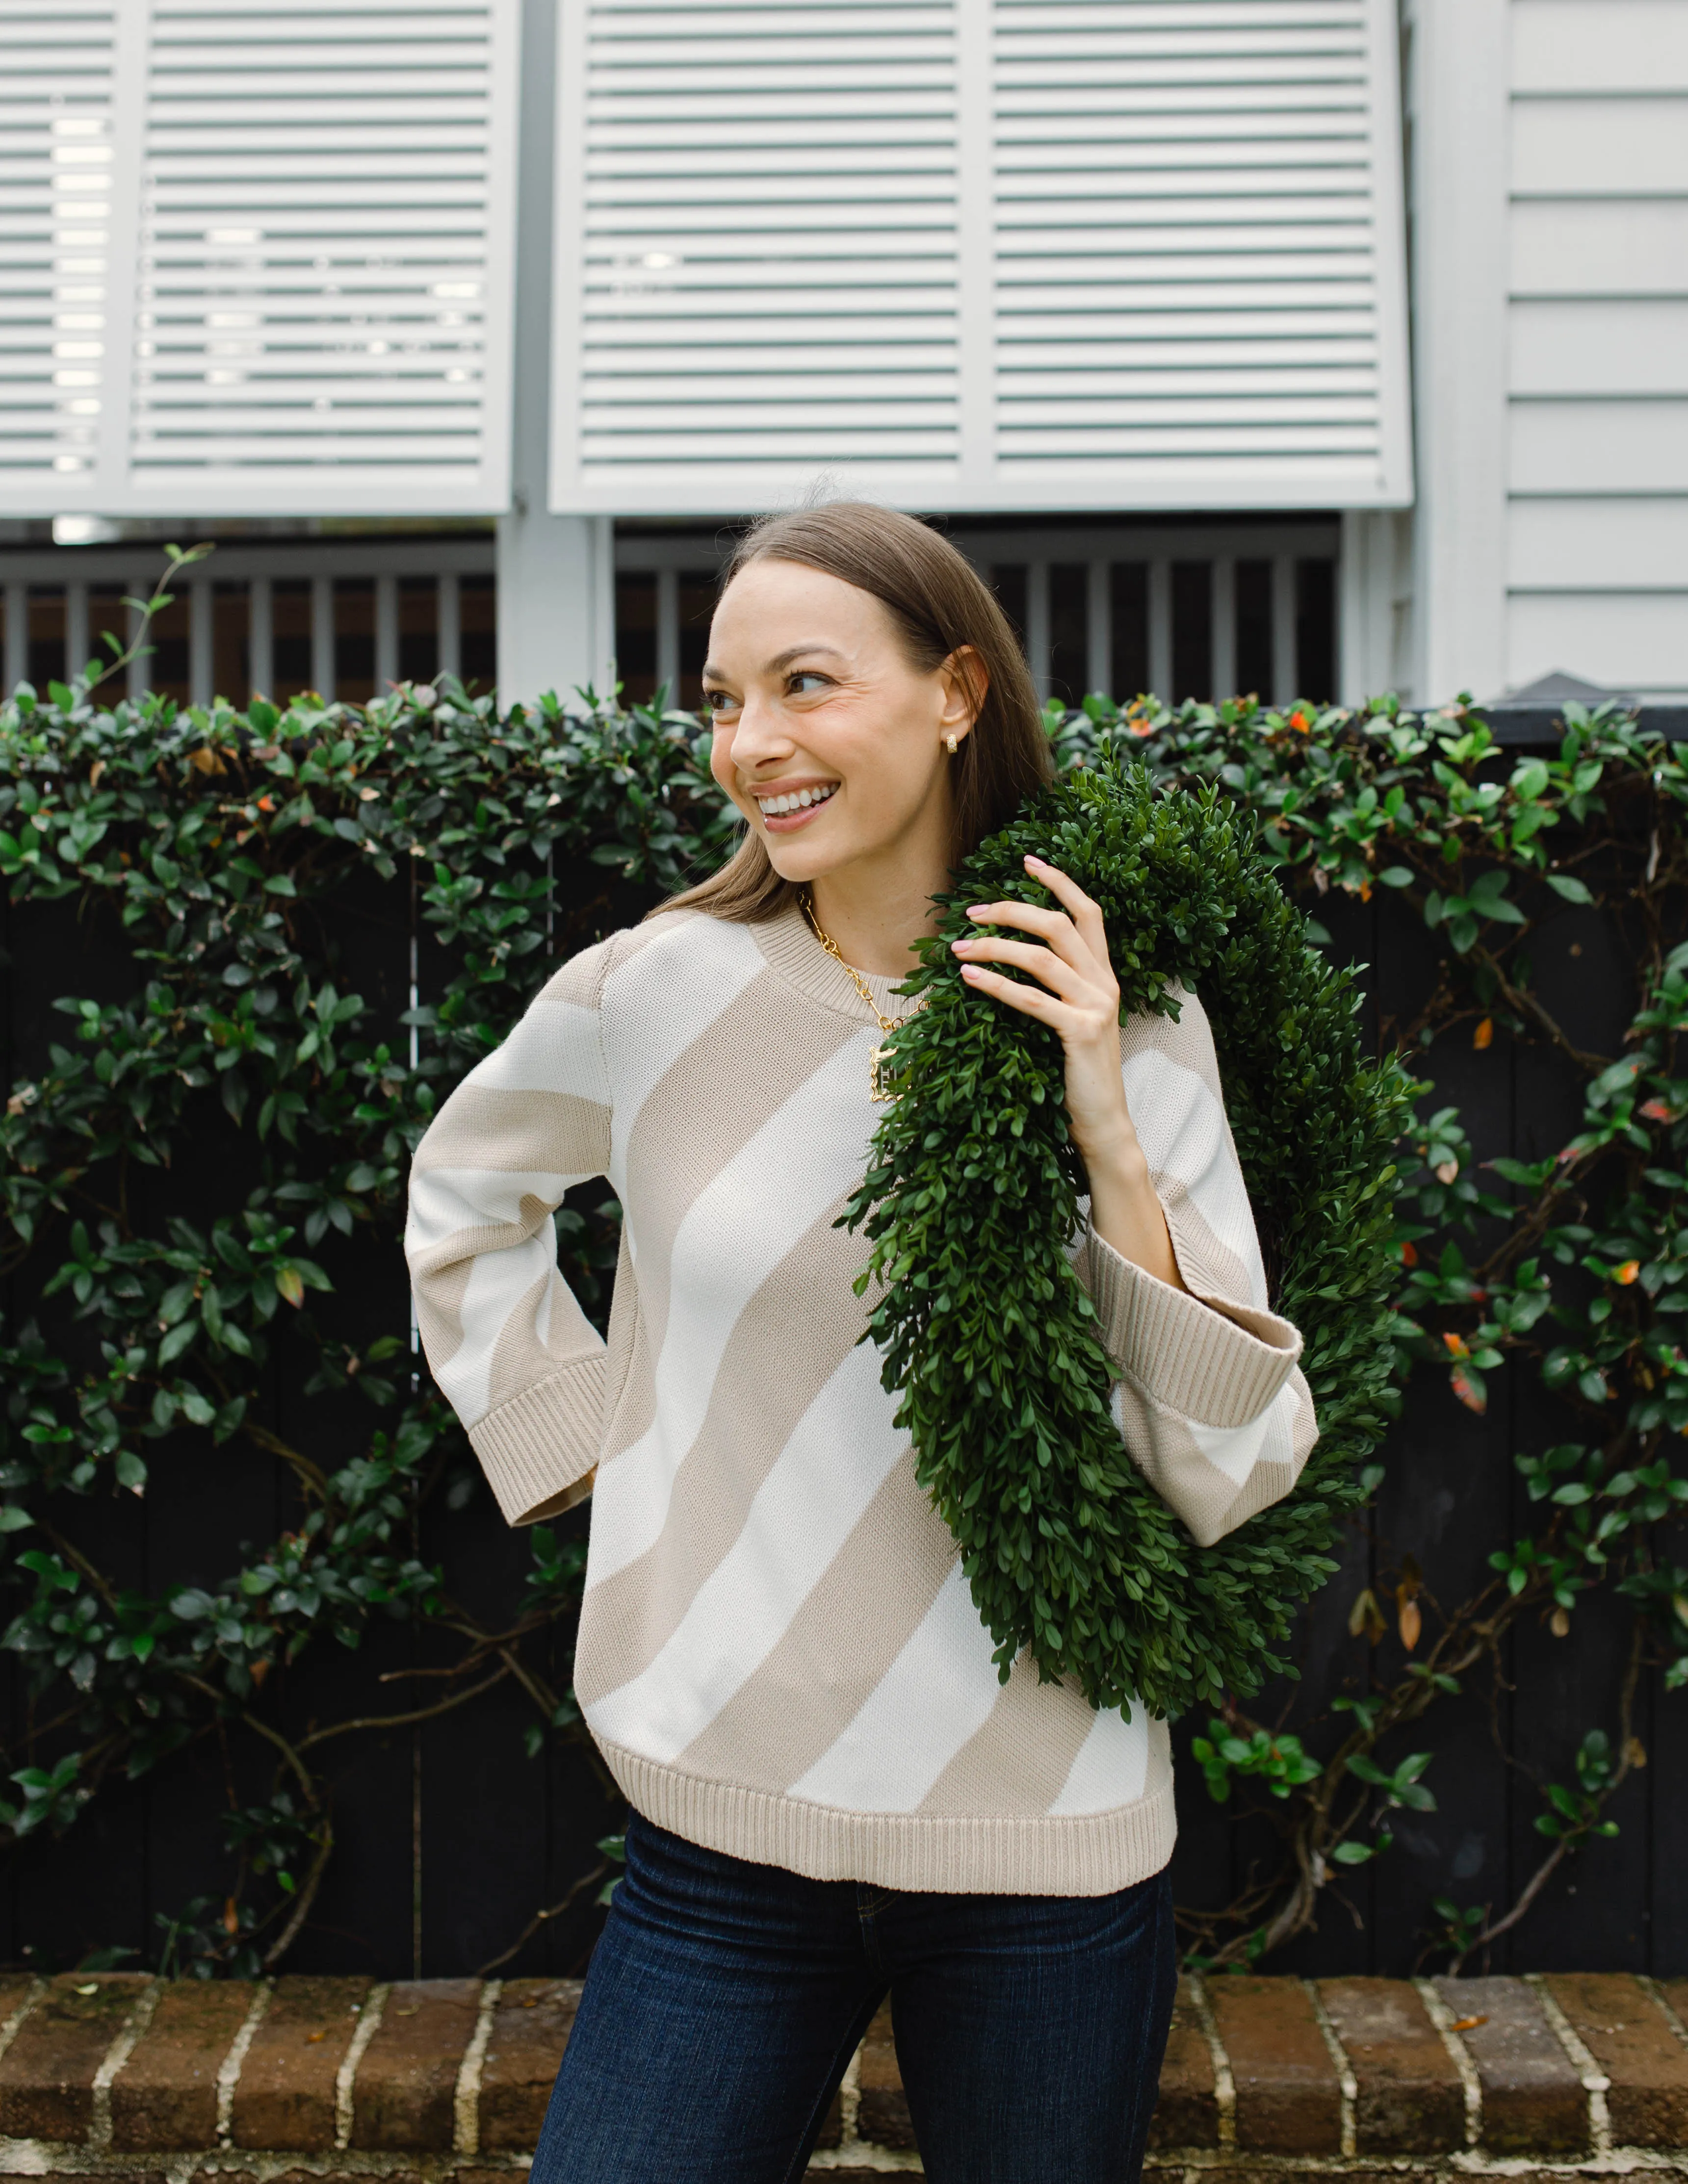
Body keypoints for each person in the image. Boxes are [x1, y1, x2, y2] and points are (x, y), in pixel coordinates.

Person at [404, 502, 1317, 2184]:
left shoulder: (1125, 1009)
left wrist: (1107, 1119)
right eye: (721, 697)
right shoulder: (658, 993)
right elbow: (467, 1192)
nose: (752, 743)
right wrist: (611, 1451)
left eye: (805, 684)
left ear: (958, 688)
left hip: (1047, 1830)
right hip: (722, 1819)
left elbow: (1238, 1465)